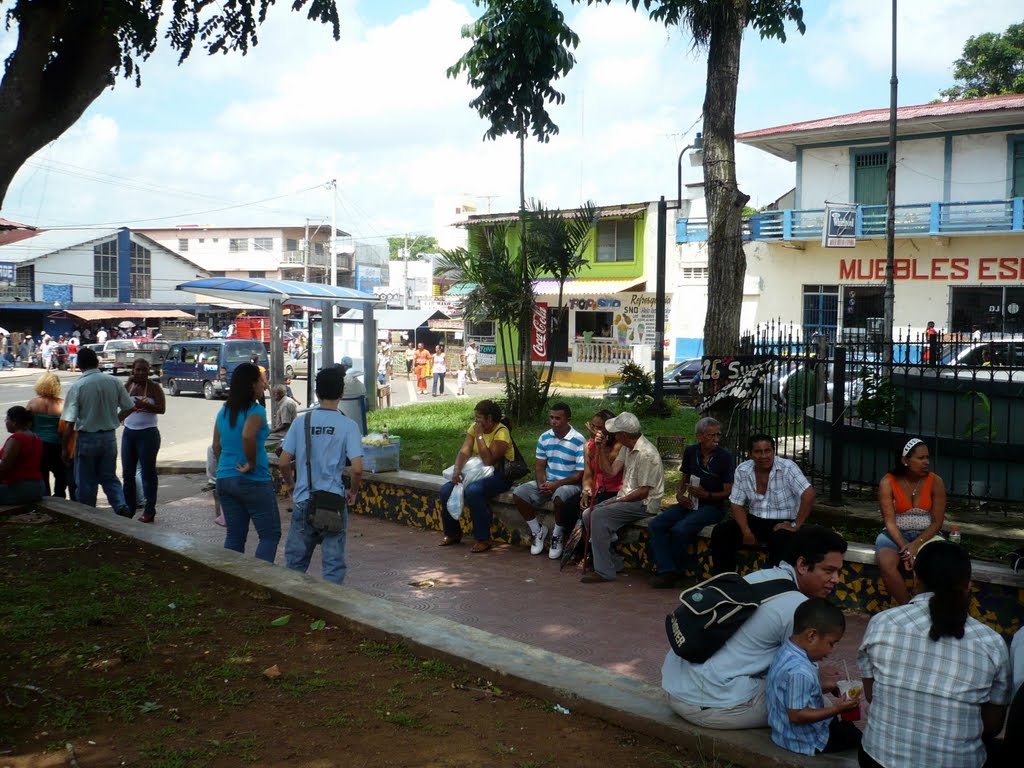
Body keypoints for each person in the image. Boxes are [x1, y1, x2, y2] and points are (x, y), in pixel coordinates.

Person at [662, 525, 847, 729]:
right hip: (708, 705)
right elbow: (801, 680)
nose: (835, 580)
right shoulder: (798, 608)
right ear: (802, 565)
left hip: (674, 687)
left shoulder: (764, 576)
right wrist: (819, 681)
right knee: (820, 706)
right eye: (828, 571)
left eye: (838, 572)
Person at [857, 540, 1011, 768]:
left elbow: (871, 696)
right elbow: (992, 726)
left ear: (916, 578)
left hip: (878, 759)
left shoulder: (882, 623)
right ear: (968, 585)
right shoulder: (991, 643)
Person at [280, 367, 363, 584]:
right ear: (342, 393)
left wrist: (291, 485)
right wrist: (353, 491)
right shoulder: (348, 425)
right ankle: (331, 607)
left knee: (295, 563)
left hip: (303, 499)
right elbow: (357, 468)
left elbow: (283, 462)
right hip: (333, 502)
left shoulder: (301, 422)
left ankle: (294, 603)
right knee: (333, 565)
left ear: (317, 393)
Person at [766, 598, 862, 756]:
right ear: (811, 636)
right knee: (858, 738)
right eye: (831, 643)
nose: (831, 651)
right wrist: (835, 709)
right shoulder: (800, 670)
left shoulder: (786, 651)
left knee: (846, 727)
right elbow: (797, 715)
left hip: (783, 734)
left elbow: (793, 690)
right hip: (806, 741)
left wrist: (828, 686)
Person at [709, 433, 815, 574]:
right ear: (750, 454)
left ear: (774, 451)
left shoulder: (787, 467)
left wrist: (796, 525)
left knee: (781, 540)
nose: (764, 456)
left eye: (767, 451)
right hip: (756, 519)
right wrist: (746, 531)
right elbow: (736, 503)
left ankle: (774, 584)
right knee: (721, 532)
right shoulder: (743, 470)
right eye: (758, 452)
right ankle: (724, 580)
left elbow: (809, 494)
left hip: (783, 522)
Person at [649, 417, 735, 588]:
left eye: (718, 435)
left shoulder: (724, 457)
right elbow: (685, 477)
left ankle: (676, 572)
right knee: (656, 524)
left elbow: (728, 491)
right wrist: (680, 494)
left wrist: (707, 494)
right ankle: (667, 568)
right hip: (691, 502)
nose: (716, 439)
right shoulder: (691, 451)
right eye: (711, 435)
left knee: (680, 529)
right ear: (699, 436)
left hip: (712, 506)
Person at [583, 411, 664, 583]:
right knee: (587, 514)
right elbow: (610, 472)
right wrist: (601, 448)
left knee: (598, 514)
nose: (613, 435)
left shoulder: (647, 453)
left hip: (643, 503)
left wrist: (617, 501)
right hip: (628, 497)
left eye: (616, 433)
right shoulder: (627, 448)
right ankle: (613, 562)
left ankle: (604, 571)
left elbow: (643, 492)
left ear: (624, 435)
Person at [212, 362, 280, 563]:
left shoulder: (224, 411)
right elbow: (247, 435)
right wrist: (250, 463)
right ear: (251, 385)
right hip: (253, 479)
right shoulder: (256, 411)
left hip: (225, 478)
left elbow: (216, 446)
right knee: (270, 534)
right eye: (261, 381)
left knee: (235, 536)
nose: (264, 386)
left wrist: (224, 467)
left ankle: (231, 579)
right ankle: (259, 583)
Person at [61, 347, 135, 514]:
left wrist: (65, 449)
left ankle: (89, 515)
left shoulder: (78, 386)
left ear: (79, 364)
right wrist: (115, 419)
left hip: (87, 438)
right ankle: (121, 505)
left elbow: (69, 422)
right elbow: (129, 407)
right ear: (97, 362)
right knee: (109, 477)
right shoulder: (113, 381)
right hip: (109, 437)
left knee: (86, 481)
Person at [875, 438, 947, 606]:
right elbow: (890, 522)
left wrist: (915, 545)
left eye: (927, 458)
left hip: (927, 535)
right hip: (894, 536)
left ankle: (928, 607)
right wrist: (905, 548)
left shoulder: (936, 481)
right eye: (920, 458)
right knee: (886, 564)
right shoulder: (888, 482)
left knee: (935, 565)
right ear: (905, 460)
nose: (926, 462)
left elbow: (937, 523)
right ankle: (908, 607)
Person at [438, 399, 515, 553]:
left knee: (473, 491)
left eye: (480, 419)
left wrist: (479, 436)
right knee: (446, 490)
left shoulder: (501, 432)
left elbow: (488, 460)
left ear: (490, 419)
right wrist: (457, 471)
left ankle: (483, 538)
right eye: (476, 418)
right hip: (479, 472)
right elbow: (464, 451)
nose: (477, 422)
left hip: (500, 475)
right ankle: (453, 533)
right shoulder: (474, 428)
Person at [513, 402, 586, 560]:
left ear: (568, 419)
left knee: (560, 497)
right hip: (549, 481)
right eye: (551, 417)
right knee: (519, 493)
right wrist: (542, 485)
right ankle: (537, 530)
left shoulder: (579, 440)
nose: (554, 421)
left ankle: (557, 535)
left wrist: (555, 485)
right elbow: (539, 467)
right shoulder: (545, 437)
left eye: (558, 418)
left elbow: (579, 474)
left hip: (569, 484)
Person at [121, 358, 166, 523]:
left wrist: (145, 405)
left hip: (148, 434)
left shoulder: (154, 387)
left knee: (148, 473)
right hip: (129, 433)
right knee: (127, 473)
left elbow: (162, 409)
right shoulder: (128, 387)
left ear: (149, 371)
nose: (141, 373)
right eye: (138, 370)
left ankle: (149, 510)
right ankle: (129, 508)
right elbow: (119, 404)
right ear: (132, 370)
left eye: (144, 370)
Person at [26, 372, 68, 498]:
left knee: (42, 473)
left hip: (37, 444)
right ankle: (59, 497)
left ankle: (45, 498)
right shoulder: (62, 404)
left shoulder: (33, 403)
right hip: (56, 444)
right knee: (60, 473)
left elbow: (25, 425)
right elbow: (67, 428)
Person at [580, 409, 624, 510]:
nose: (595, 430)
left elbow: (604, 467)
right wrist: (586, 491)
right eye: (593, 426)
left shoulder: (619, 445)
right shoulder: (588, 446)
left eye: (599, 427)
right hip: (596, 491)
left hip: (614, 491)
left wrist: (599, 447)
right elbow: (588, 474)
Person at [0, 406, 45, 504]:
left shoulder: (17, 438)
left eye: (6, 419)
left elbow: (4, 467)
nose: (6, 423)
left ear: (14, 421)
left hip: (20, 488)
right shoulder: (36, 437)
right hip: (38, 488)